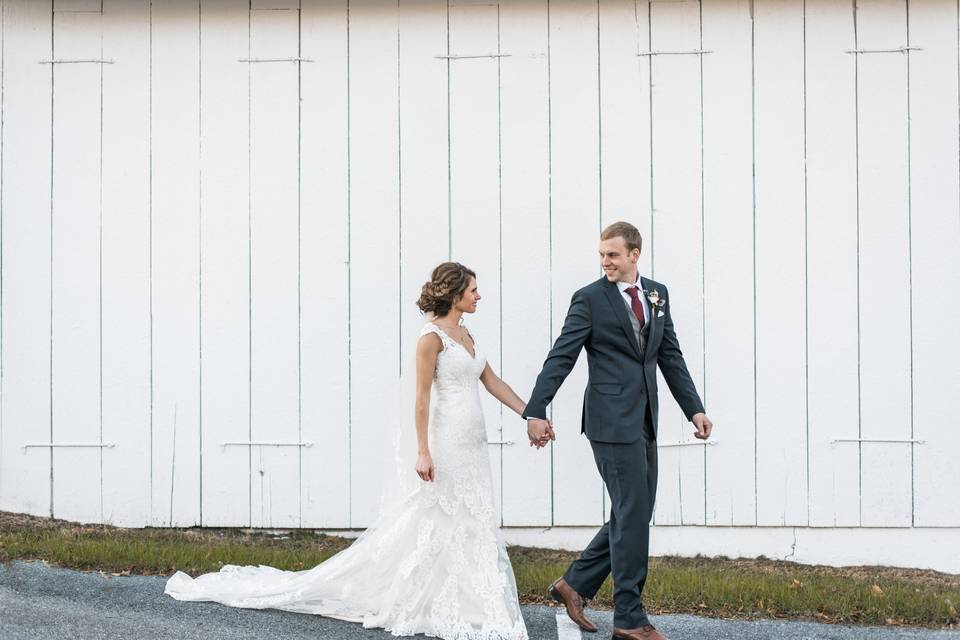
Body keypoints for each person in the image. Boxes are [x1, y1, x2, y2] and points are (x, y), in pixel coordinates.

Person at [166, 262, 534, 640]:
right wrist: (423, 451)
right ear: (456, 294)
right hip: (446, 443)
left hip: (473, 445)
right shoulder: (432, 339)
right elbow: (421, 398)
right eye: (473, 290)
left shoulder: (467, 333)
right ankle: (430, 600)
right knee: (442, 519)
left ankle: (468, 600)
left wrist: (530, 413)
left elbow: (492, 381)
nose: (479, 296)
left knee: (471, 520)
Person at [524, 221, 713, 640]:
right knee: (632, 514)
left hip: (645, 417)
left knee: (635, 512)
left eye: (612, 254)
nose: (605, 262)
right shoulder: (589, 299)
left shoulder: (657, 293)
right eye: (601, 254)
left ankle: (575, 583)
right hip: (609, 421)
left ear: (634, 254)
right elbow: (562, 356)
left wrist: (693, 409)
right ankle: (629, 618)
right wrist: (535, 410)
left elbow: (670, 355)